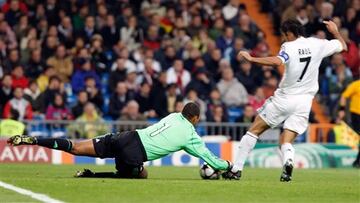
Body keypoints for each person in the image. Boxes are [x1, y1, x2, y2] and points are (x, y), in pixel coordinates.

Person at [222, 19, 347, 181]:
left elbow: (276, 61)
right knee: (285, 140)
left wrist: (252, 59)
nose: (283, 38)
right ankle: (288, 160)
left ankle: (236, 170)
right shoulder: (318, 44)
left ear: (289, 34)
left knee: (253, 131)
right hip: (304, 102)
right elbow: (343, 46)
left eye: (284, 35)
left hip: (285, 98)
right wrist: (335, 31)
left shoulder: (289, 47)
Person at [7, 102, 235, 179]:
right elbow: (209, 157)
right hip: (135, 154)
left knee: (75, 147)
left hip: (126, 137)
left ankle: (32, 139)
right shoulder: (191, 135)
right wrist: (229, 167)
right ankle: (91, 175)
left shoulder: (174, 115)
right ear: (195, 118)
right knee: (141, 175)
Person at [339, 80, 360, 168]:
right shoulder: (355, 85)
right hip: (356, 114)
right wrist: (341, 109)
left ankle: (357, 162)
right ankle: (357, 162)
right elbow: (344, 96)